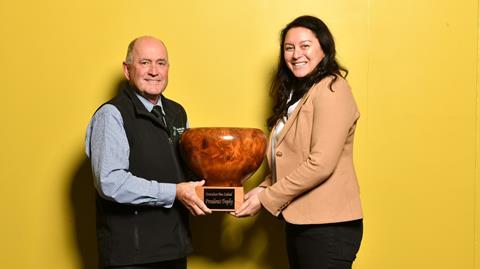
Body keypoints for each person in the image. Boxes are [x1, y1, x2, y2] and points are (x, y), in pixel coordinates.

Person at [235, 16, 363, 269]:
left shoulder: (332, 89)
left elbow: (320, 163)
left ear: (324, 48)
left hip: (329, 227)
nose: (296, 54)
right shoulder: (299, 94)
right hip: (302, 223)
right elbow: (292, 158)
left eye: (305, 46)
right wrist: (262, 187)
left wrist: (265, 198)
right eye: (289, 48)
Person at [85, 36, 211, 269]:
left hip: (174, 249)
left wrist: (225, 192)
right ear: (127, 70)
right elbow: (110, 182)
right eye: (145, 62)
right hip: (131, 257)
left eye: (161, 63)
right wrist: (174, 192)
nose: (154, 71)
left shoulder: (177, 113)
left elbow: (188, 170)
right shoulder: (112, 115)